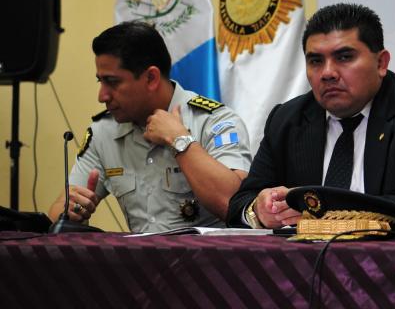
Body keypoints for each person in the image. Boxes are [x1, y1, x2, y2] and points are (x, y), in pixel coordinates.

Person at [226, 3, 395, 228]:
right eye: (315, 61)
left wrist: (325, 213)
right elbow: (240, 204)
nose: (328, 73)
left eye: (344, 57)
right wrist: (257, 211)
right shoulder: (287, 119)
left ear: (381, 63)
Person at [47, 21, 252, 233]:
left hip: (208, 262)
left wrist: (180, 141)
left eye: (112, 82)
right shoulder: (103, 132)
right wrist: (70, 211)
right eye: (100, 81)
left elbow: (234, 206)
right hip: (141, 262)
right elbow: (56, 217)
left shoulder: (214, 122)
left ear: (151, 78)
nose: (102, 96)